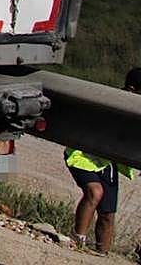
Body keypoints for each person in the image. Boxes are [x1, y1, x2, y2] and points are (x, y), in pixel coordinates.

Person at [66, 67, 141, 252]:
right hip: (82, 155)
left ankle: (102, 255)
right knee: (95, 192)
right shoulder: (108, 101)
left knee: (108, 215)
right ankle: (77, 244)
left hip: (107, 163)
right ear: (131, 89)